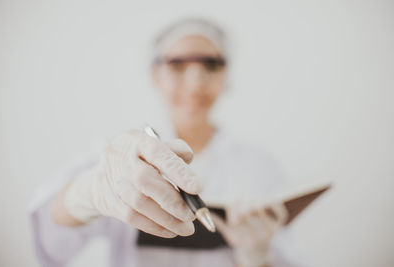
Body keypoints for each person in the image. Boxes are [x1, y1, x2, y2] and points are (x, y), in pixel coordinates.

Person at [30, 18, 303, 267]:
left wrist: (257, 258)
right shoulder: (118, 156)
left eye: (211, 65)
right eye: (177, 65)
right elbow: (51, 248)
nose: (195, 83)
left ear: (226, 76)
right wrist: (86, 193)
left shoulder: (260, 168)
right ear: (155, 76)